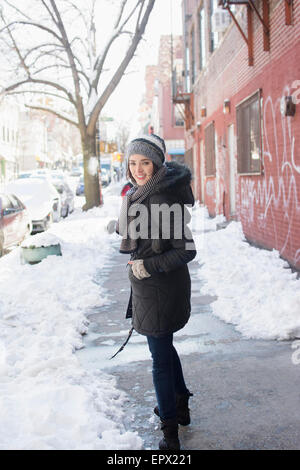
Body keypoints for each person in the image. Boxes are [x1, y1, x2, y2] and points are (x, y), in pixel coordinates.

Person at [115, 134, 196, 450]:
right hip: (153, 289)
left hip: (160, 289)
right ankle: (180, 407)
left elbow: (186, 250)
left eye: (144, 163)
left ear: (157, 164)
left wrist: (147, 267)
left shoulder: (160, 199)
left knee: (159, 360)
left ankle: (170, 435)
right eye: (133, 163)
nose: (138, 169)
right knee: (165, 350)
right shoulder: (139, 195)